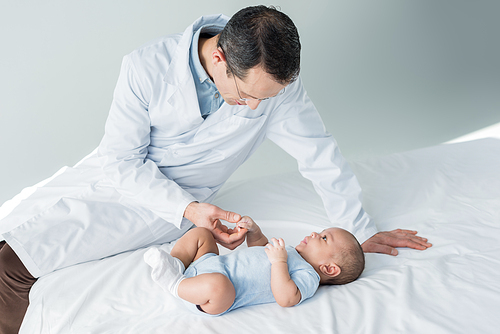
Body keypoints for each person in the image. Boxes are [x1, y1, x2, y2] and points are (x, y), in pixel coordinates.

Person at [0, 5, 431, 333]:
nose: (258, 108)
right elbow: (120, 161)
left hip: (166, 204)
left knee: (14, 265)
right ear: (221, 58)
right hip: (126, 176)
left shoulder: (274, 89)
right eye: (247, 95)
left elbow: (318, 154)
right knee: (15, 240)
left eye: (268, 97)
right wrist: (190, 210)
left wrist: (357, 231)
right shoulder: (145, 68)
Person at [144, 216, 365, 315]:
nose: (316, 233)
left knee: (218, 285)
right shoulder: (288, 251)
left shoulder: (309, 276)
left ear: (329, 268)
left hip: (216, 296)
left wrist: (279, 262)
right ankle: (176, 263)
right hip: (210, 265)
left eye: (325, 238)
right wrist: (255, 232)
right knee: (201, 234)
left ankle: (175, 284)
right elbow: (260, 249)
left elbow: (286, 298)